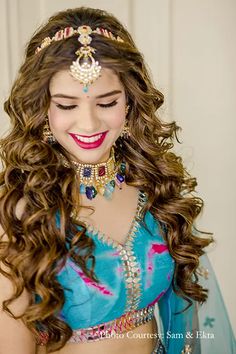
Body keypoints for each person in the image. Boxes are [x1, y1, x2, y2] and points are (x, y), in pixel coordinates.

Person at [0, 6, 234, 354]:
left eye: (106, 102)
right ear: (43, 110)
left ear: (129, 104)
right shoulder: (22, 212)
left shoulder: (156, 188)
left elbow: (186, 312)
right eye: (66, 106)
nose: (89, 123)